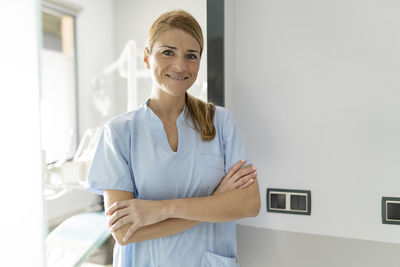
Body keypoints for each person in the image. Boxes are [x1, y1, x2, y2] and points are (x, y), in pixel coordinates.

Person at [86, 9, 260, 267]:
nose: (180, 65)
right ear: (146, 58)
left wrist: (160, 209)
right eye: (168, 52)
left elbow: (248, 204)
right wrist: (215, 202)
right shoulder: (119, 132)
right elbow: (124, 232)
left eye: (191, 56)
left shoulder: (221, 123)